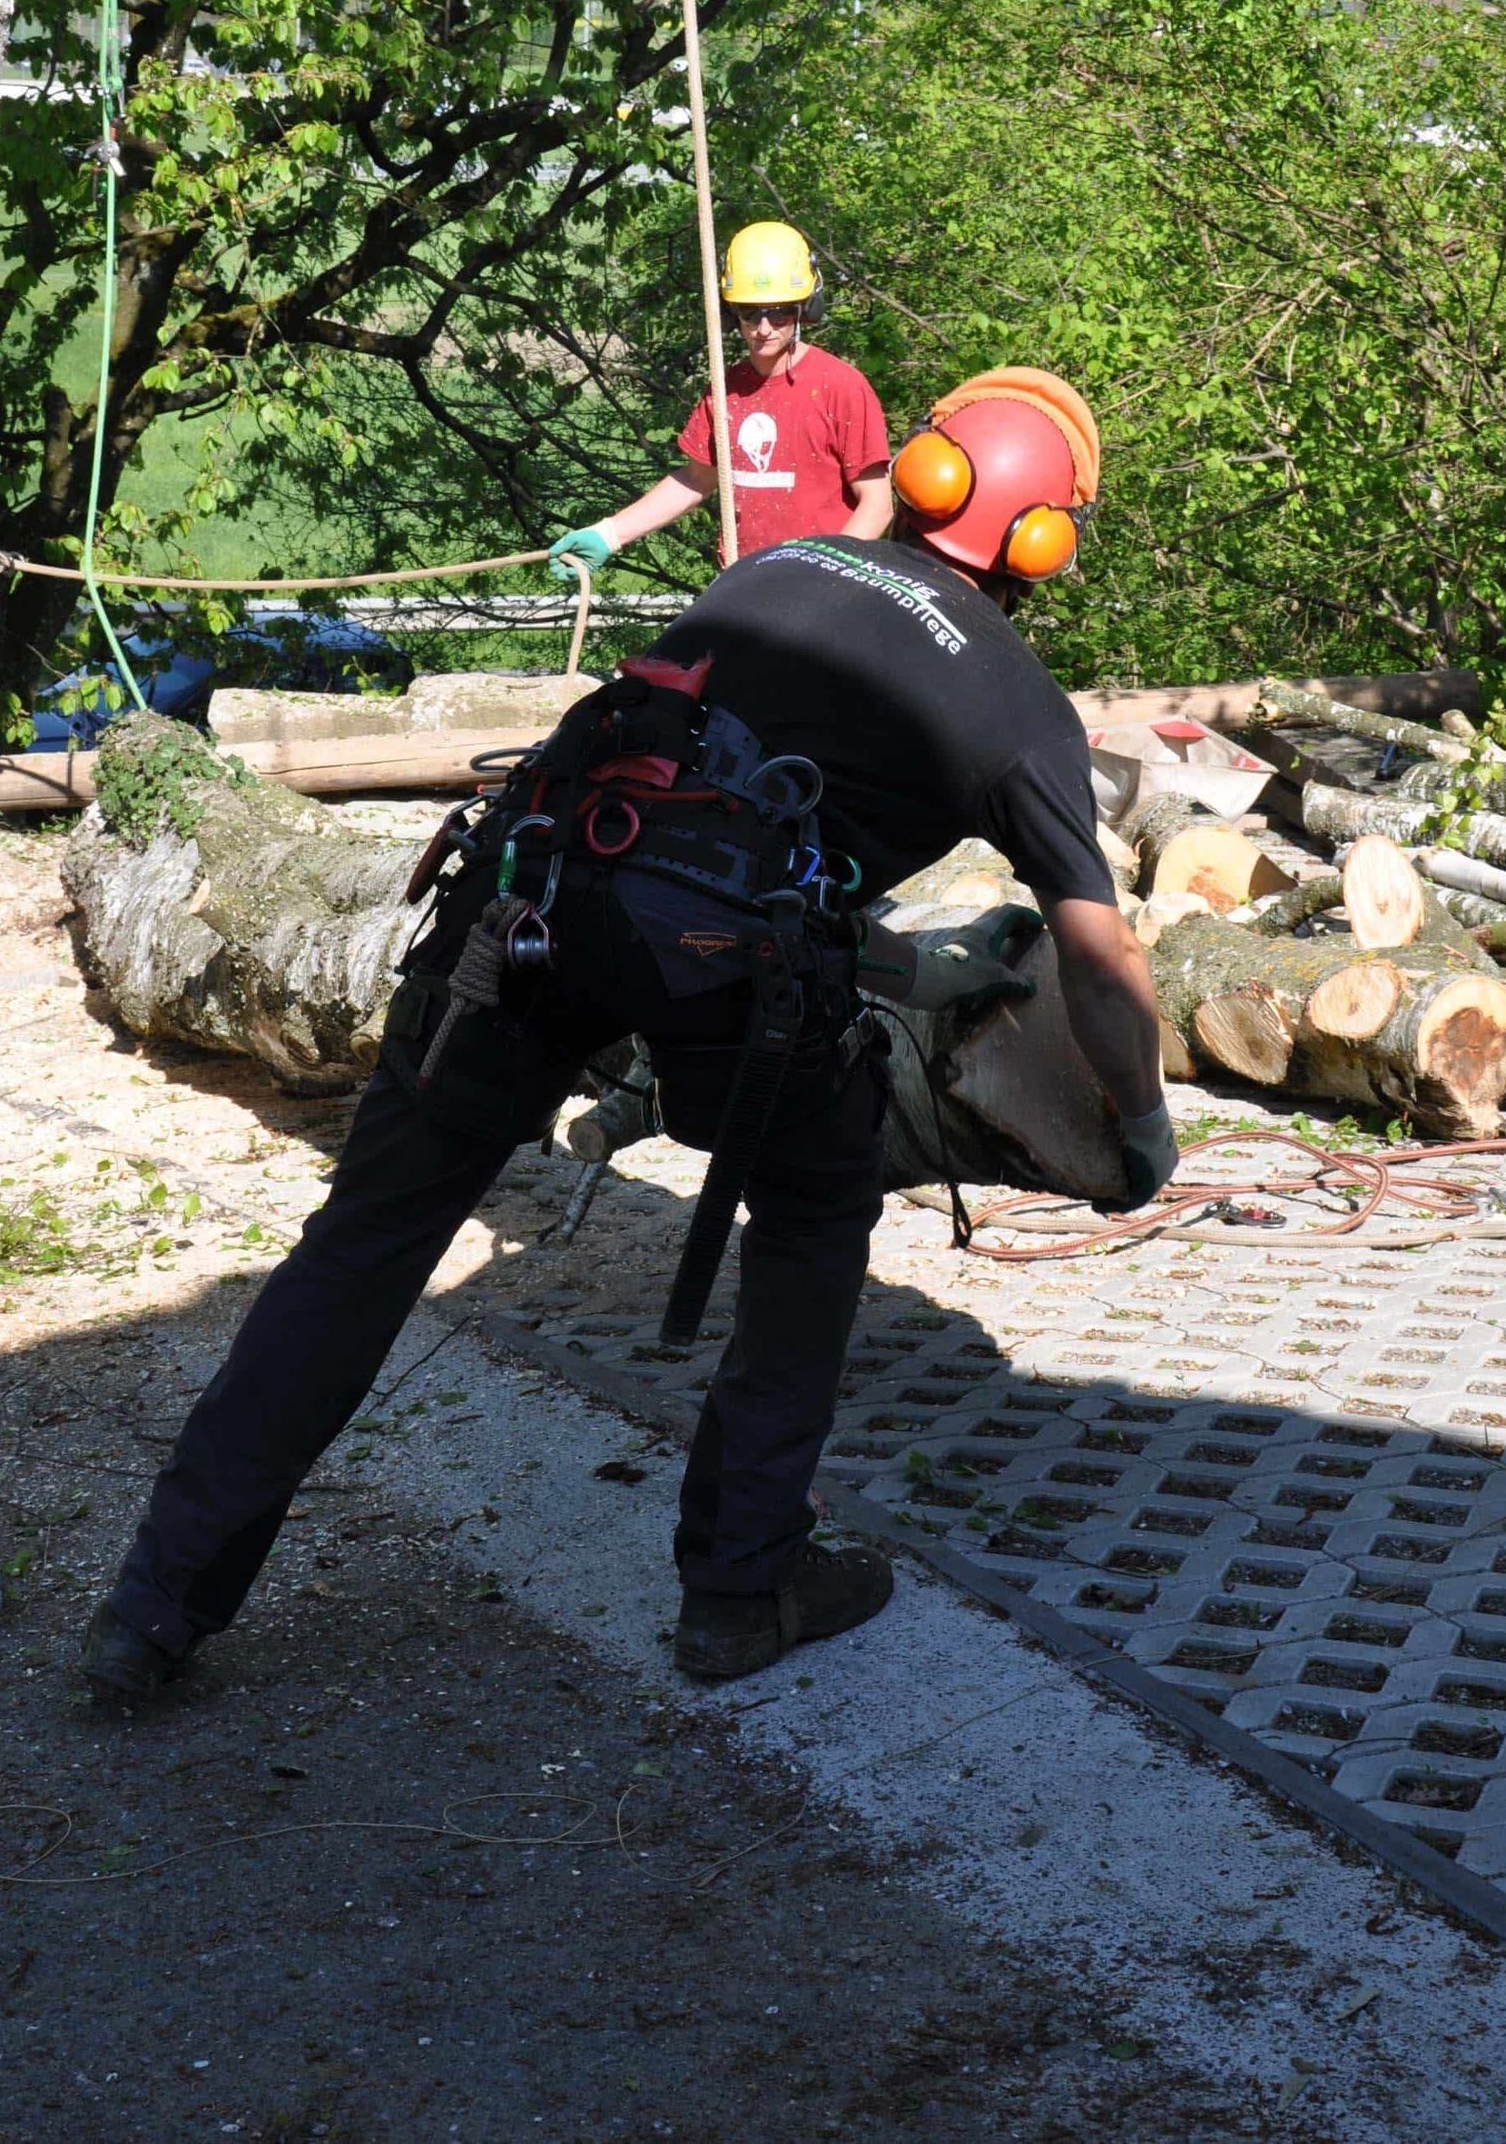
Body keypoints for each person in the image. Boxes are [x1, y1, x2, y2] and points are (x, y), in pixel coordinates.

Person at [81, 367, 1176, 1702]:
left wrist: (906, 960)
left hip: (529, 894)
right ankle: (742, 1580)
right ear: (1042, 543)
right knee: (818, 1200)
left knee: (366, 1239)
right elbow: (1103, 958)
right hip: (721, 969)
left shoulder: (787, 569)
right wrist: (1142, 1122)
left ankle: (152, 1605)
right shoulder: (1017, 703)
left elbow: (691, 803)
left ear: (929, 475)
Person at [546, 220, 893, 571]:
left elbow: (877, 505)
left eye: (780, 312)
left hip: (824, 590)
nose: (764, 328)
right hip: (744, 585)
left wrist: (827, 575)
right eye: (750, 313)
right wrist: (609, 533)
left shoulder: (841, 386)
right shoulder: (727, 390)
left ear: (805, 306)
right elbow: (697, 479)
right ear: (731, 314)